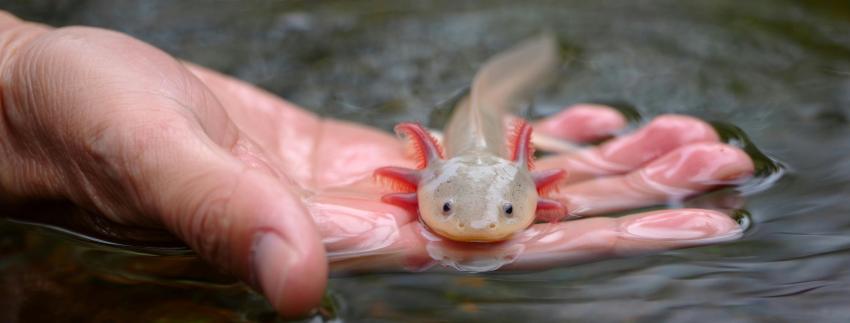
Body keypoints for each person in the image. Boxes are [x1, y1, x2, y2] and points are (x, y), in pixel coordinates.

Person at [0, 11, 754, 317]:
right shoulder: (421, 174)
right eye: (454, 210)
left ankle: (528, 86)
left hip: (507, 147)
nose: (481, 228)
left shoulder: (525, 177)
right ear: (414, 177)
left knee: (505, 129)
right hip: (456, 150)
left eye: (507, 212)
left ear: (539, 191)